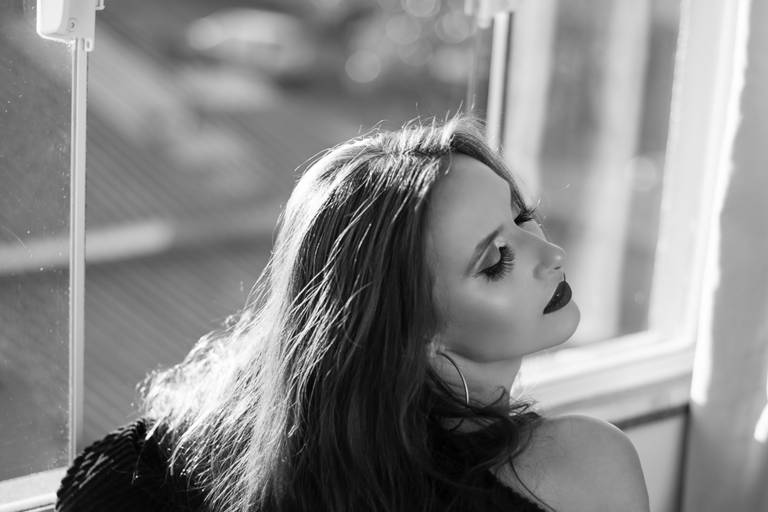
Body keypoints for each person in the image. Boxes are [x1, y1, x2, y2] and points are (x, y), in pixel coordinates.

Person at [56, 115, 649, 512]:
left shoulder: (156, 463)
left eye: (522, 217)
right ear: (410, 330)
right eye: (496, 260)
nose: (550, 253)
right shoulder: (579, 469)